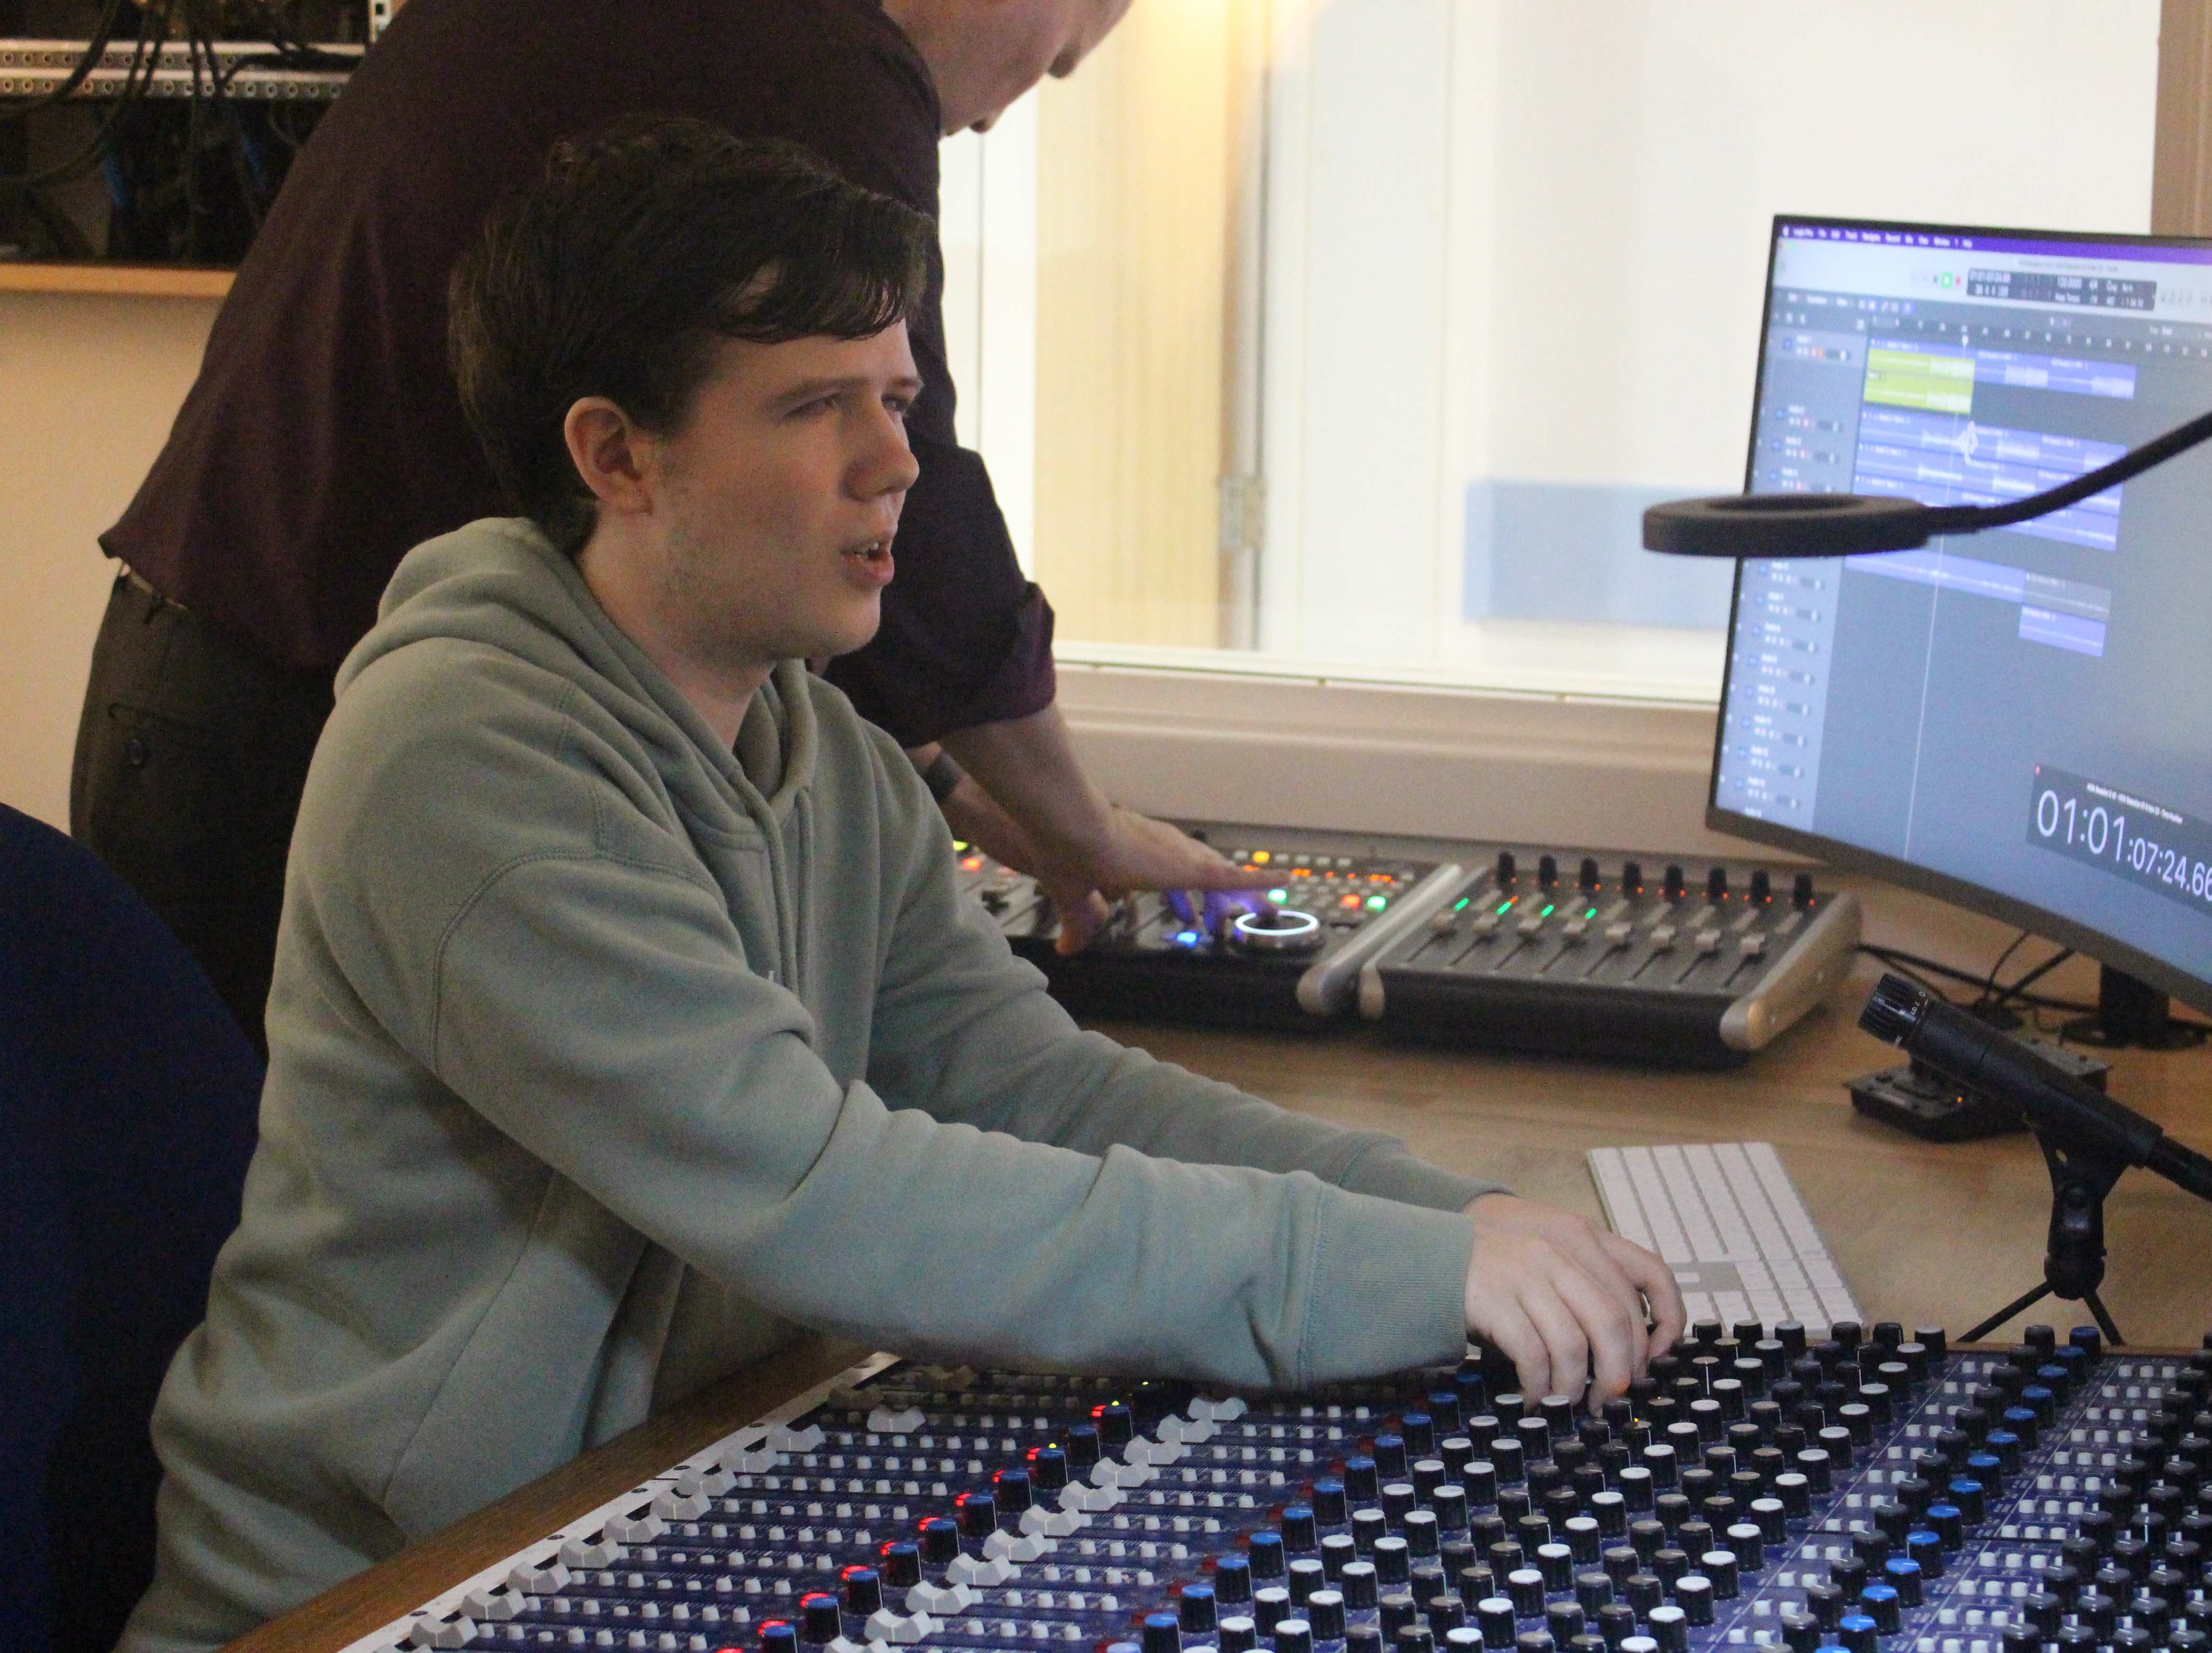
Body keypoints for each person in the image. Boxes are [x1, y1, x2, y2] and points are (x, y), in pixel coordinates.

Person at [116, 121, 1684, 1653]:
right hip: (391, 1588)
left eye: (898, 397)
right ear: (615, 454)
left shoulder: (821, 749)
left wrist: (1446, 1214)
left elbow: (1035, 1091)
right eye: (815, 408)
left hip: (658, 1512)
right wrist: (1390, 1274)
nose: (893, 463)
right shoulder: (465, 757)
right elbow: (819, 1194)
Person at [70, 0, 1265, 1058]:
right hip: (292, 733)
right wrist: (1081, 830)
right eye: (1056, 61)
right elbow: (914, 506)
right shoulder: (824, 60)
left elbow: (725, 521)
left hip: (207, 700)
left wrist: (952, 780)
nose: (1005, 116)